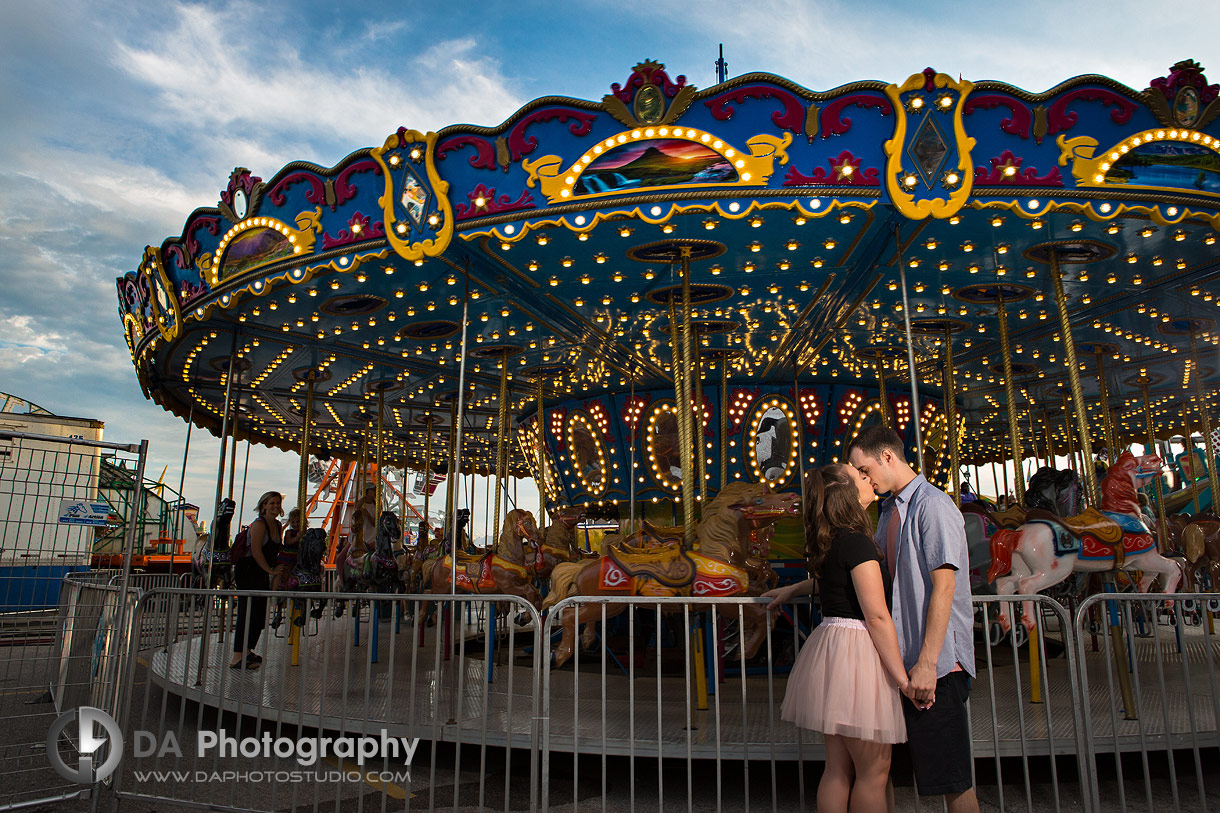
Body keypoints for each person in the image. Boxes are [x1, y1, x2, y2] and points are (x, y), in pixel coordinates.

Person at [763, 464, 909, 812]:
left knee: (838, 768)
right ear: (847, 493)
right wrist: (903, 679)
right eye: (860, 475)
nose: (868, 477)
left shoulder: (835, 539)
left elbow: (836, 583)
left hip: (833, 646)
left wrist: (796, 586)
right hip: (857, 651)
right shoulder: (858, 543)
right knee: (874, 770)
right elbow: (875, 615)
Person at [847, 426, 978, 811]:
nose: (865, 479)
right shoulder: (890, 510)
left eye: (865, 469)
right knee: (900, 773)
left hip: (936, 665)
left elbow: (944, 587)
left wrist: (926, 663)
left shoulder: (931, 505)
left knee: (953, 779)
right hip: (905, 663)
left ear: (888, 456)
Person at [230, 491, 286, 669]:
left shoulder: (277, 525)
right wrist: (270, 570)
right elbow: (256, 551)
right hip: (249, 570)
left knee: (260, 613)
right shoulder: (259, 524)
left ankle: (248, 651)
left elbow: (276, 550)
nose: (275, 506)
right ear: (263, 506)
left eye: (277, 503)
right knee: (247, 611)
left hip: (262, 570)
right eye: (271, 503)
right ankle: (237, 656)